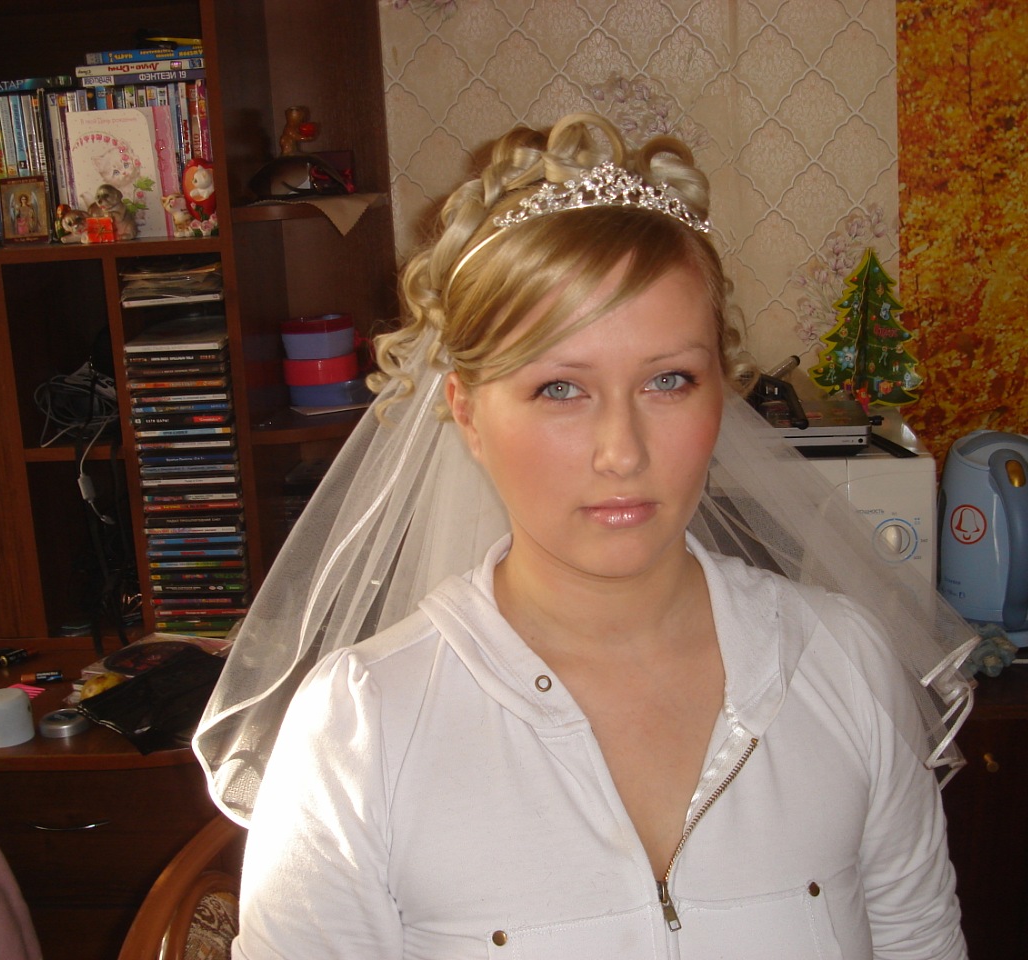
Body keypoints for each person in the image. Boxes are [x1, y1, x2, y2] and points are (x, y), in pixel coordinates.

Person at [194, 112, 977, 959]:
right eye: (560, 389)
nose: (622, 452)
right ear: (467, 414)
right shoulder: (360, 733)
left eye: (669, 380)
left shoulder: (842, 664)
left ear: (722, 392)